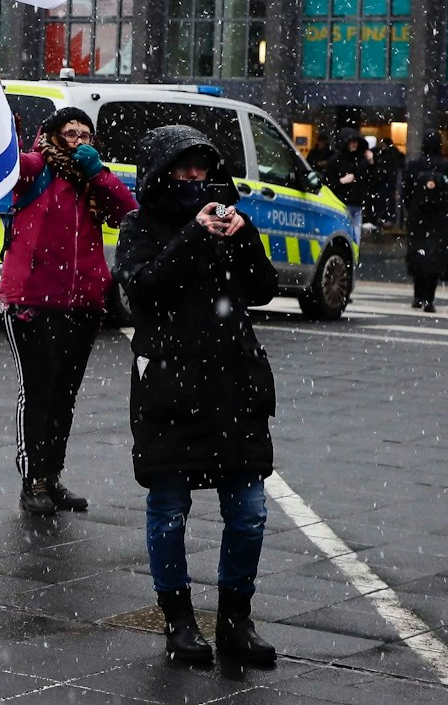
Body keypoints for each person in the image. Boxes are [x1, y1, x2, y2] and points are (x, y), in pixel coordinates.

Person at [114, 124, 280, 669]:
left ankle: (235, 621)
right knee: (168, 510)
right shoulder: (139, 225)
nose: (194, 179)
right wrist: (192, 234)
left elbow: (262, 289)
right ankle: (179, 622)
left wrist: (243, 235)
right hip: (170, 390)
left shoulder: (230, 219)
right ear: (161, 172)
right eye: (183, 169)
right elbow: (144, 287)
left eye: (201, 169)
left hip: (234, 386)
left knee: (249, 512)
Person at [0, 108, 138, 516]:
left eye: (86, 134)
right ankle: (33, 481)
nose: (79, 140)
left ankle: (52, 477)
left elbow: (129, 212)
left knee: (64, 397)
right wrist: (4, 125)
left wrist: (98, 173)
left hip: (82, 305)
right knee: (38, 392)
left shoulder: (91, 179)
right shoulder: (37, 167)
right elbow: (9, 164)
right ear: (53, 135)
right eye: (71, 133)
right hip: (32, 301)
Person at [400, 133, 448, 313]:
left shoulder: (414, 166)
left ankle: (417, 294)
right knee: (435, 255)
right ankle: (430, 298)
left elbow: (406, 193)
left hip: (418, 217)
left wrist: (413, 207)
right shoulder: (446, 167)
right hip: (439, 219)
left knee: (417, 252)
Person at [323, 129, 372, 240]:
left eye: (356, 141)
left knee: (354, 239)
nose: (354, 144)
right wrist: (341, 181)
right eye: (351, 141)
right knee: (345, 238)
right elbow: (326, 182)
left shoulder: (360, 160)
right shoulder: (336, 161)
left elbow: (371, 178)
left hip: (356, 204)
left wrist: (371, 161)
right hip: (342, 204)